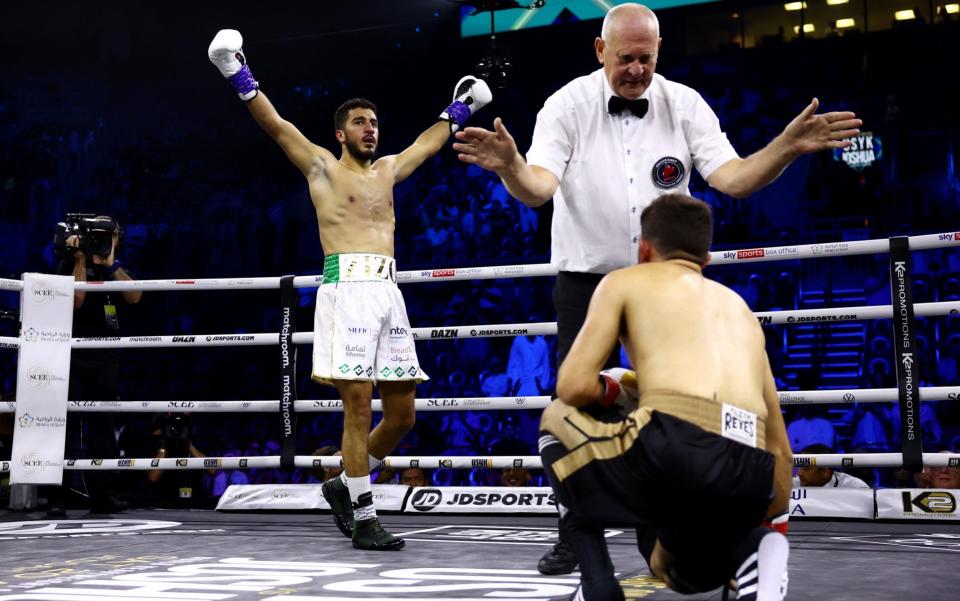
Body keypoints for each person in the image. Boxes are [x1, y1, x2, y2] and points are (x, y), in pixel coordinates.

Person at [453, 1, 859, 574]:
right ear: (600, 51)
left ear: (659, 52)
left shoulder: (684, 103)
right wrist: (509, 167)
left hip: (665, 283)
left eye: (645, 58)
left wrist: (786, 148)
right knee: (574, 400)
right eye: (625, 59)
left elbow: (734, 177)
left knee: (671, 403)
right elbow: (539, 188)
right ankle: (576, 531)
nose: (636, 70)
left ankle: (661, 533)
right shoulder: (566, 105)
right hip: (586, 279)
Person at [207, 29, 491, 550]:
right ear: (340, 133)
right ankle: (364, 516)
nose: (371, 129)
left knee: (402, 414)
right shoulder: (320, 167)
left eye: (375, 122)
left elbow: (429, 144)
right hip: (347, 290)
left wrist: (461, 107)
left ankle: (343, 485)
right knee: (358, 410)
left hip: (389, 291)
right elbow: (274, 124)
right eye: (360, 122)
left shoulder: (386, 170)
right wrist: (235, 70)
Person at [538, 194, 793, 600]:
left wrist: (615, 390)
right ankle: (754, 552)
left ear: (643, 248)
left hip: (675, 445)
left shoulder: (625, 280)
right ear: (705, 259)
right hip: (750, 465)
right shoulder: (742, 310)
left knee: (556, 417)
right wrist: (771, 524)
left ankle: (596, 585)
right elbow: (779, 443)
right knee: (667, 567)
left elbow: (572, 385)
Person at [51, 216, 142, 515]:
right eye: (109, 236)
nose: (112, 240)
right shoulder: (69, 263)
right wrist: (80, 258)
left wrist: (110, 263)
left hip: (105, 359)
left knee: (103, 428)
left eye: (114, 236)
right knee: (67, 427)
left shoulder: (113, 268)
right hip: (74, 356)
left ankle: (102, 495)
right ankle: (59, 497)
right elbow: (75, 300)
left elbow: (135, 296)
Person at [792, 444, 870, 488]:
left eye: (806, 469)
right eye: (799, 467)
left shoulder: (854, 487)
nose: (799, 473)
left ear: (825, 472)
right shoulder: (792, 485)